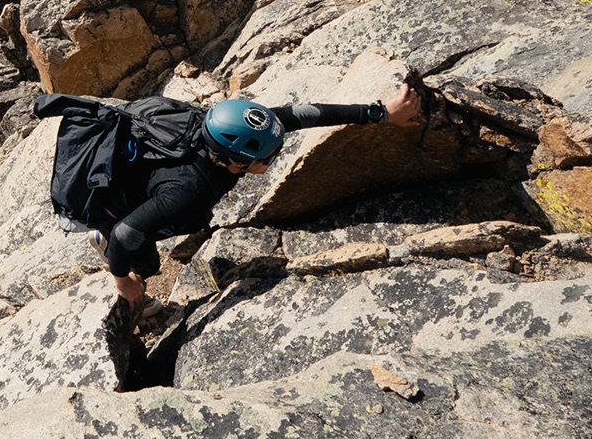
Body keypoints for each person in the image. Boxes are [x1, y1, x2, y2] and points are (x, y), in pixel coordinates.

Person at [104, 83, 423, 304]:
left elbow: (305, 114)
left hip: (143, 176)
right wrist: (122, 281)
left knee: (195, 219)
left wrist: (380, 113)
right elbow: (124, 233)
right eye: (269, 157)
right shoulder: (190, 191)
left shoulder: (226, 129)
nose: (277, 156)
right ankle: (112, 257)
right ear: (237, 162)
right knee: (146, 263)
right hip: (113, 202)